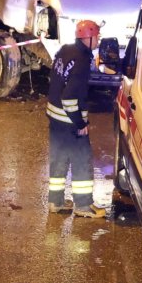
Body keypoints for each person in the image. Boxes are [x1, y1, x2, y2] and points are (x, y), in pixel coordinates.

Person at [46, 20, 105, 218]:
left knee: (59, 159)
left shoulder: (65, 50)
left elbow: (55, 80)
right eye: (97, 36)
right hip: (69, 120)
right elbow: (69, 97)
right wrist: (80, 124)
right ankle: (83, 205)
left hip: (55, 118)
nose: (98, 39)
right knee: (81, 161)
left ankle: (55, 202)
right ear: (87, 38)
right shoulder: (81, 62)